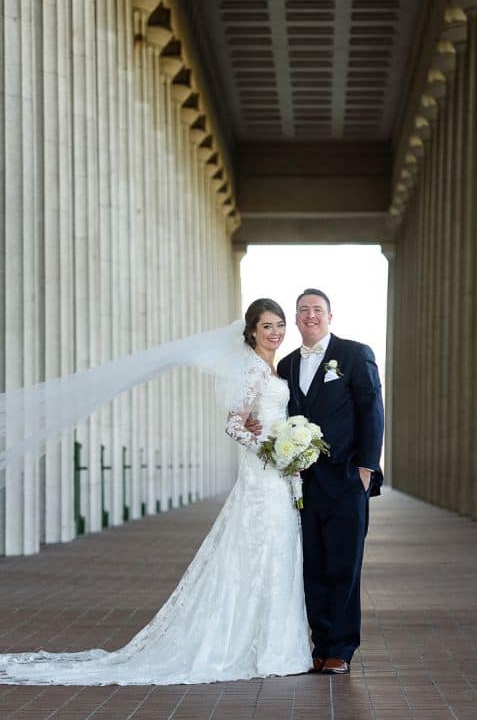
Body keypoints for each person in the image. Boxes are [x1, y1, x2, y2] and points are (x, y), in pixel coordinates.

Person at [0, 299, 312, 685]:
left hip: (277, 478)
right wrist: (276, 449)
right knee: (261, 549)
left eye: (280, 325)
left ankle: (274, 645)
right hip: (264, 476)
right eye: (267, 326)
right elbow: (233, 425)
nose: (275, 332)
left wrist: (288, 450)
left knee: (275, 552)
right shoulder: (252, 370)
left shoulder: (271, 368)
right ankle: (259, 648)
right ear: (251, 331)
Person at [277, 289, 384, 675]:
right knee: (312, 565)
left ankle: (341, 647)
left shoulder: (355, 354)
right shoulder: (287, 364)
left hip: (345, 478)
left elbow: (371, 408)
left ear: (330, 316)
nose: (310, 316)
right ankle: (319, 644)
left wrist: (367, 467)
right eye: (303, 310)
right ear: (296, 318)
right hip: (303, 484)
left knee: (344, 564)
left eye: (317, 310)